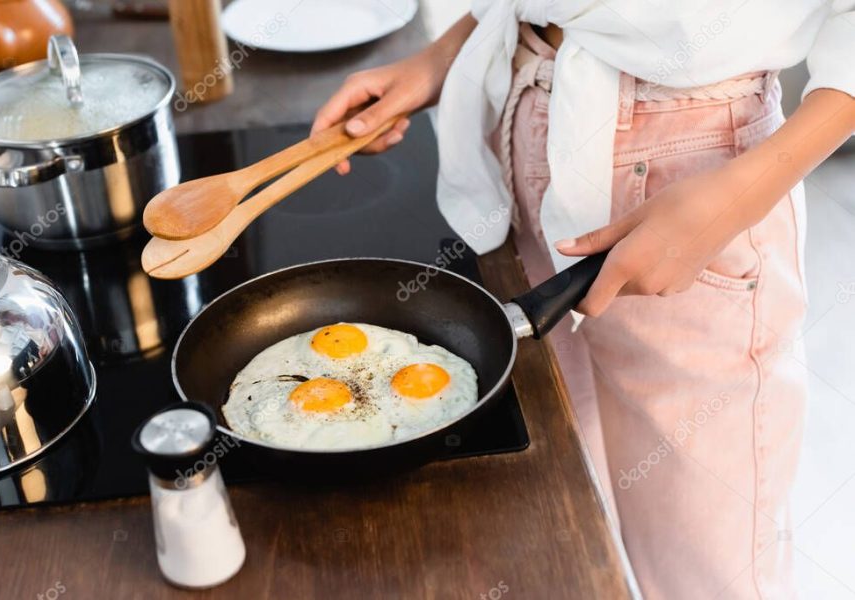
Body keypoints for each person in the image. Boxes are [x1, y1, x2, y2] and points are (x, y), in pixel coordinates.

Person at [311, 3, 855, 598]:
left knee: (706, 574)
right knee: (571, 513)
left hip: (692, 176)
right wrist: (443, 57)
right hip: (526, 118)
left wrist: (738, 196)